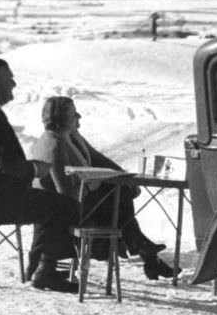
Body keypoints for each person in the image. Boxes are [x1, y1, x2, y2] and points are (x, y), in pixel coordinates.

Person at [0, 57, 79, 292]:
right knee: (65, 205)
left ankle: (42, 267)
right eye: (8, 77)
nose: (14, 83)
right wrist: (35, 169)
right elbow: (7, 164)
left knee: (48, 204)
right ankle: (46, 271)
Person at [30, 96, 177, 280]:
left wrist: (124, 177)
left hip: (75, 205)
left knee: (119, 194)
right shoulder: (54, 145)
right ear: (62, 118)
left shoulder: (68, 137)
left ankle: (145, 251)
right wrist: (95, 185)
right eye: (73, 113)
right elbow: (66, 194)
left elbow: (98, 158)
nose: (79, 116)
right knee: (118, 196)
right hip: (64, 214)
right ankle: (145, 251)